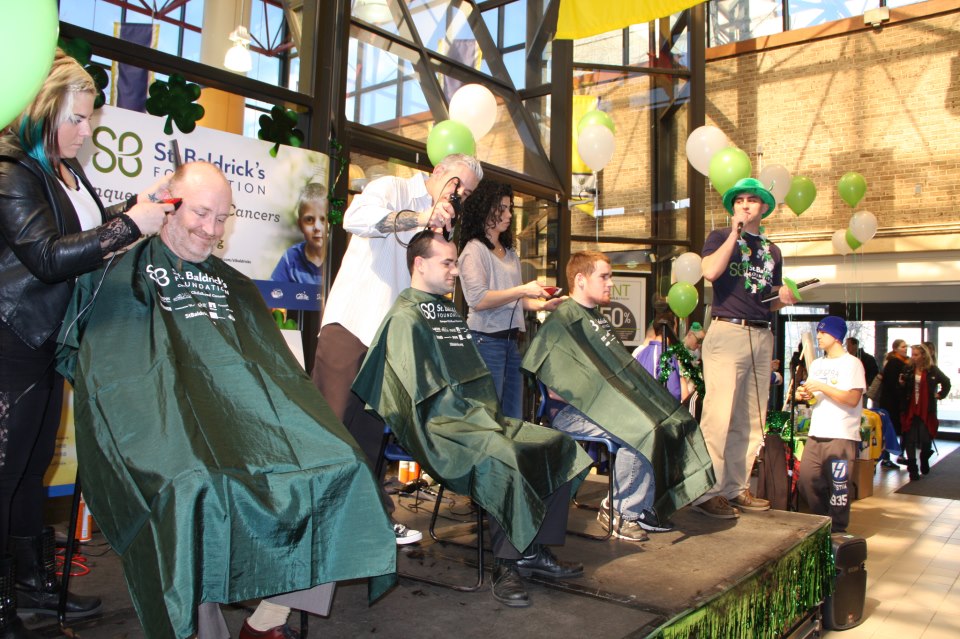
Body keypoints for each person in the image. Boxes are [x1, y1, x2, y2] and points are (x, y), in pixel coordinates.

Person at [55, 162, 396, 639]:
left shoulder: (233, 285)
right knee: (195, 489)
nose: (210, 229)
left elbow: (272, 374)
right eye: (200, 213)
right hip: (160, 435)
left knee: (341, 469)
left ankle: (267, 619)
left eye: (222, 218)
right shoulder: (121, 271)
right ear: (167, 206)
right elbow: (103, 371)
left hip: (243, 431)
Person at [0, 49, 174, 636]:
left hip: (51, 340)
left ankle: (34, 587)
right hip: (12, 340)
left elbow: (87, 238)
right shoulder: (12, 171)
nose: (86, 129)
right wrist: (129, 225)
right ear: (42, 111)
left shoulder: (66, 173)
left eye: (91, 117)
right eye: (77, 118)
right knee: (5, 472)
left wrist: (139, 208)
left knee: (31, 469)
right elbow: (47, 257)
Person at [353, 230, 590, 608]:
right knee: (504, 456)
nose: (455, 272)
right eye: (446, 263)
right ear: (419, 264)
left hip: (477, 418)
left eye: (455, 264)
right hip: (439, 429)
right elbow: (409, 397)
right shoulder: (404, 317)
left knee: (558, 444)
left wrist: (479, 416)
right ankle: (507, 564)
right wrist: (456, 418)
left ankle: (532, 549)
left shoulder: (445, 310)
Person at [312, 154, 482, 545]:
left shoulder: (444, 222)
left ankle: (368, 524)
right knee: (332, 428)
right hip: (353, 326)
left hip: (390, 340)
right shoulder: (393, 187)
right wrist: (421, 217)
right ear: (438, 171)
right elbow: (353, 217)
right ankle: (312, 523)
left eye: (468, 193)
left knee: (369, 437)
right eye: (458, 184)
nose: (461, 195)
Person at [522, 252, 714, 542]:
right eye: (604, 276)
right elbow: (553, 389)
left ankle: (643, 508)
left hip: (605, 408)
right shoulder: (562, 322)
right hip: (571, 413)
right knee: (640, 429)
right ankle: (619, 510)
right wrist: (604, 403)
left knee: (665, 421)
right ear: (580, 280)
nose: (610, 283)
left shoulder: (597, 320)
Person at [693, 178, 798, 519]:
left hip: (761, 334)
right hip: (727, 332)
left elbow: (765, 302)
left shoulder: (773, 251)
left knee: (751, 420)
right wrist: (734, 235)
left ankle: (735, 488)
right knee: (718, 416)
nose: (746, 205)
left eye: (753, 200)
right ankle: (706, 491)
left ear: (764, 208)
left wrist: (783, 299)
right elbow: (709, 272)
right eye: (740, 201)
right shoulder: (720, 237)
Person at [457, 179, 562, 418]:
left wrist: (543, 305)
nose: (508, 214)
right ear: (485, 210)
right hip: (485, 342)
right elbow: (478, 300)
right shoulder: (474, 250)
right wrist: (523, 290)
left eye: (510, 208)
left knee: (513, 413)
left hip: (510, 343)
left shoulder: (509, 252)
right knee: (488, 415)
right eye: (502, 208)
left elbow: (515, 299)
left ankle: (507, 456)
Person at [795, 316, 866, 533]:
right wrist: (803, 395)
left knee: (839, 488)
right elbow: (814, 399)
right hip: (817, 433)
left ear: (836, 336)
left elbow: (852, 399)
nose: (818, 336)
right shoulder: (817, 364)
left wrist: (823, 388)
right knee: (806, 480)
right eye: (818, 332)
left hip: (841, 435)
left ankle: (837, 531)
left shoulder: (852, 363)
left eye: (823, 332)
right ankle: (821, 523)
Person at [898, 343, 951, 480]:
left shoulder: (932, 370)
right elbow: (902, 388)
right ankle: (912, 469)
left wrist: (939, 395)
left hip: (926, 409)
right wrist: (902, 384)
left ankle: (924, 458)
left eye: (916, 355)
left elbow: (946, 382)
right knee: (909, 439)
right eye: (913, 354)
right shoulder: (908, 369)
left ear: (923, 356)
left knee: (926, 439)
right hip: (910, 408)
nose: (913, 357)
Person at [270, 182, 327, 285]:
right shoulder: (291, 258)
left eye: (323, 219)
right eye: (309, 220)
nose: (317, 227)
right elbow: (274, 291)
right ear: (300, 225)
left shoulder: (340, 259)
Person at [877, 339, 909, 468]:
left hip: (894, 403)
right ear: (895, 349)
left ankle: (896, 455)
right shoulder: (893, 363)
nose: (905, 349)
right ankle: (886, 457)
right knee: (889, 430)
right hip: (891, 404)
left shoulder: (903, 363)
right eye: (903, 346)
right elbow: (890, 385)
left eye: (906, 346)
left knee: (896, 430)